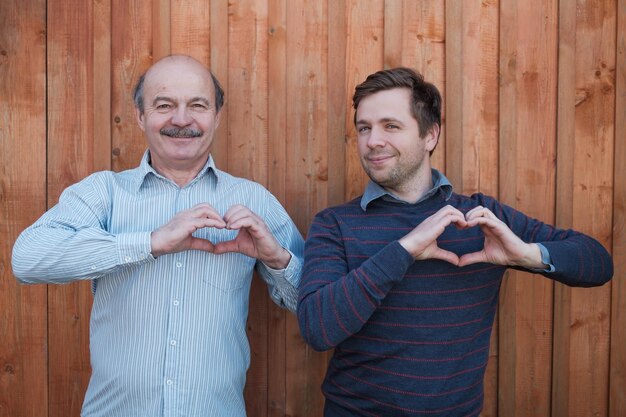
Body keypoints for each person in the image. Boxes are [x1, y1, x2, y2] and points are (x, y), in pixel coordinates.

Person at [297, 67, 613, 416]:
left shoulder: (482, 217)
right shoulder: (335, 223)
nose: (373, 141)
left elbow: (597, 262)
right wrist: (403, 250)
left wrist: (526, 255)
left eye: (391, 126)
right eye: (364, 128)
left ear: (430, 135)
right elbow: (317, 328)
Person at [12, 55, 304, 417]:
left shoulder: (253, 200)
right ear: (140, 116)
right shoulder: (105, 193)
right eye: (164, 105)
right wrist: (150, 243)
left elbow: (310, 304)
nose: (181, 119)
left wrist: (277, 259)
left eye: (197, 105)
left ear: (216, 116)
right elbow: (27, 259)